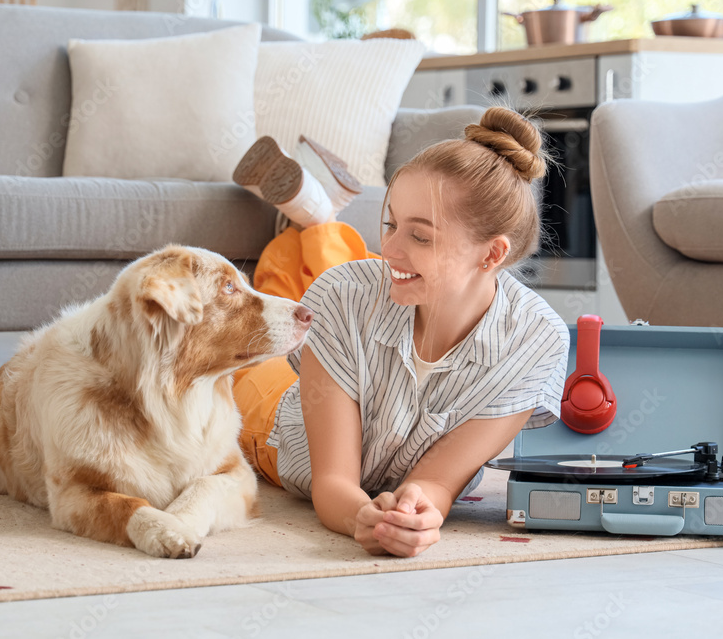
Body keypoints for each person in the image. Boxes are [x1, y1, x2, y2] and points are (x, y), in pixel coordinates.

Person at [231, 107, 570, 558]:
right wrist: (360, 518)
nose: (388, 249)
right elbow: (332, 483)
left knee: (325, 281)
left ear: (491, 255)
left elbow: (437, 482)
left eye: (421, 236)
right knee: (268, 319)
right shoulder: (342, 295)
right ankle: (310, 218)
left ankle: (312, 213)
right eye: (391, 223)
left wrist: (414, 514)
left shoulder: (536, 342)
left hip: (350, 318)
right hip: (271, 418)